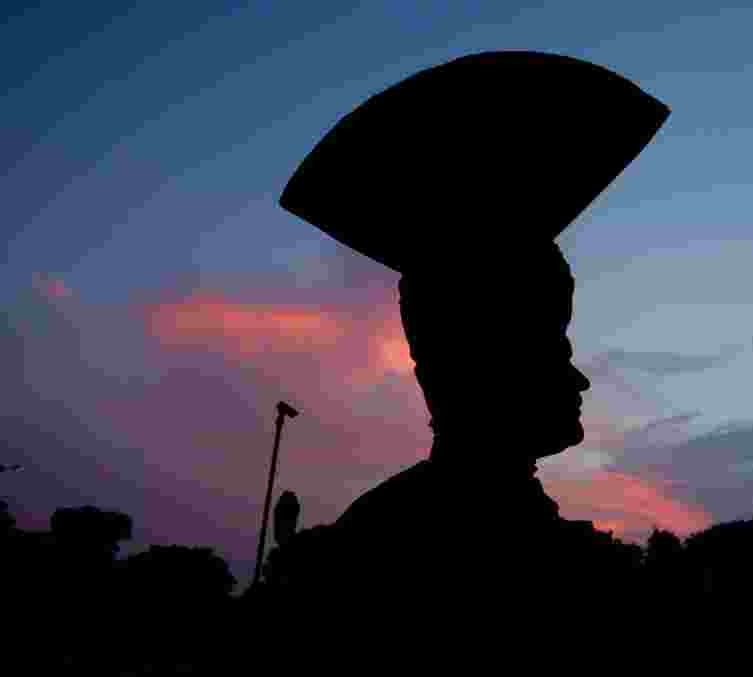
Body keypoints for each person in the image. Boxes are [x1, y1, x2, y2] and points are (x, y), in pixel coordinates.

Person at [277, 51, 669, 631]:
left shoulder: (423, 530)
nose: (577, 376)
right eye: (550, 346)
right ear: (473, 364)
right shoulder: (415, 554)